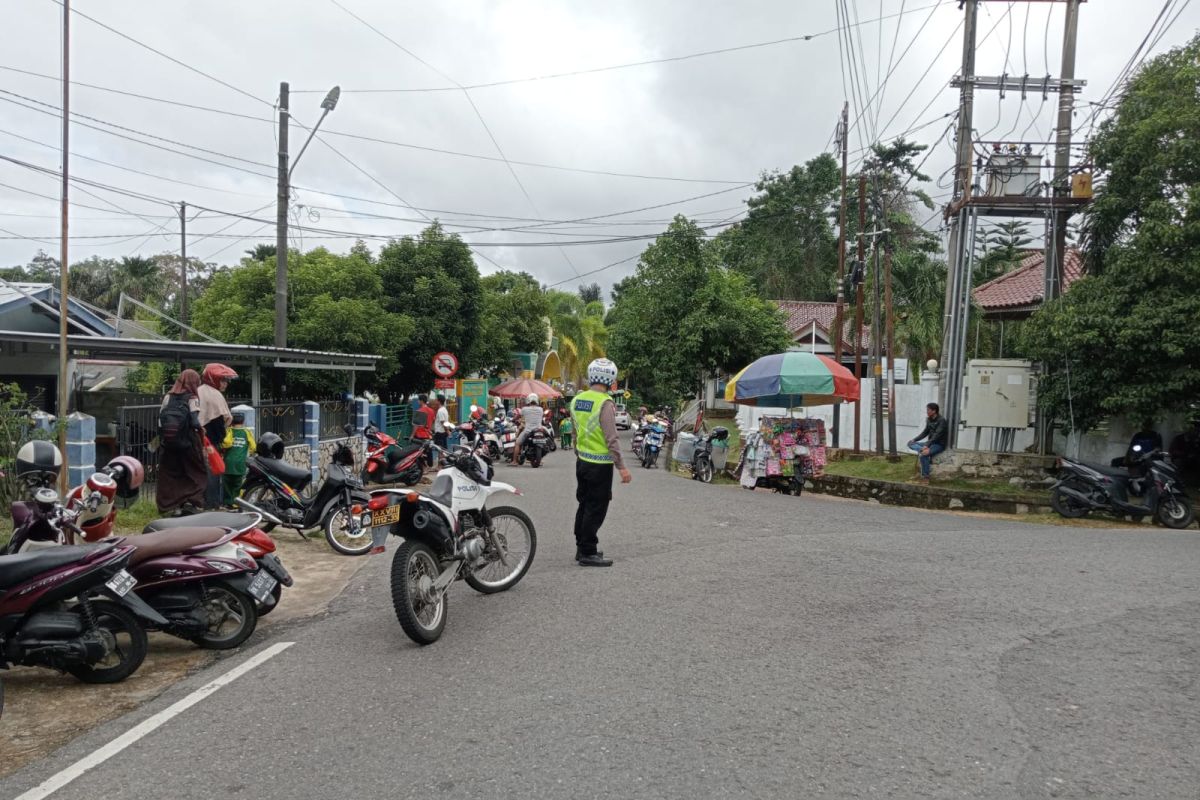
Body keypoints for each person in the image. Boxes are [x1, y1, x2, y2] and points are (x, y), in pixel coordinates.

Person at [570, 358, 631, 567]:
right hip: (600, 465)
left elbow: (575, 431)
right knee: (596, 507)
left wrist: (578, 451)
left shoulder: (577, 400)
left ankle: (581, 546)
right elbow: (611, 438)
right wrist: (622, 467)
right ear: (610, 379)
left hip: (582, 461)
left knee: (584, 503)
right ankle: (588, 551)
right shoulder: (605, 402)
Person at [156, 369, 206, 514]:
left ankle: (169, 505)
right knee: (196, 472)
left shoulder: (168, 397)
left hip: (169, 442)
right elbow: (195, 422)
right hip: (188, 442)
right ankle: (191, 502)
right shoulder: (192, 398)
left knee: (170, 473)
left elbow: (160, 421)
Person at [198, 363, 236, 509]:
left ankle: (200, 502)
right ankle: (212, 504)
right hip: (210, 442)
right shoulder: (215, 395)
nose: (225, 384)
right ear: (214, 379)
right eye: (223, 380)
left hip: (196, 440)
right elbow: (220, 421)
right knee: (213, 472)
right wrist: (220, 440)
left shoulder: (198, 391)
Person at [220, 411, 256, 508]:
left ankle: (228, 503)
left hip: (227, 462)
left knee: (227, 484)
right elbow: (254, 447)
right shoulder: (247, 432)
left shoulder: (228, 431)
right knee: (238, 484)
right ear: (243, 421)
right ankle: (236, 503)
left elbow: (225, 443)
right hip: (240, 463)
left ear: (232, 421)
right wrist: (252, 454)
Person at [907, 402, 948, 482]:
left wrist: (927, 445)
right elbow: (925, 432)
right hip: (930, 444)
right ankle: (922, 449)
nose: (927, 412)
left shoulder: (941, 420)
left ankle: (926, 478)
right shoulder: (929, 419)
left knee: (924, 455)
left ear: (934, 411)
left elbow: (937, 435)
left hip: (939, 444)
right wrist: (915, 439)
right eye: (927, 410)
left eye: (928, 410)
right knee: (910, 443)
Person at [511, 393, 545, 465]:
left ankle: (514, 461)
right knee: (541, 442)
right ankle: (540, 460)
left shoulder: (524, 409)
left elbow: (518, 416)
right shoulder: (541, 409)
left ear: (528, 400)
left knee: (517, 443)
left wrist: (514, 419)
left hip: (528, 431)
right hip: (539, 430)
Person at [432, 395, 451, 465]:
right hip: (442, 433)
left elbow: (443, 422)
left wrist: (448, 431)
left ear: (439, 401)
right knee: (442, 449)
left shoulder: (440, 411)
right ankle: (440, 465)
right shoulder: (444, 409)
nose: (434, 401)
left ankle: (441, 466)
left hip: (440, 433)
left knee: (440, 449)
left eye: (436, 400)